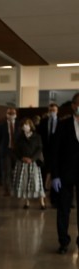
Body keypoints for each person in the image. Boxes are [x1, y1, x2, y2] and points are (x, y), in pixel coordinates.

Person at [51, 92, 79, 254]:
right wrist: (54, 175)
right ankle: (63, 241)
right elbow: (55, 152)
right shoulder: (63, 125)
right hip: (65, 174)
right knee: (63, 209)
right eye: (77, 104)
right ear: (73, 106)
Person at [12, 118, 46, 209]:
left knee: (37, 182)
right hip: (23, 162)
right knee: (24, 182)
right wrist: (21, 157)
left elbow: (39, 149)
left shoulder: (37, 136)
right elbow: (16, 150)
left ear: (30, 125)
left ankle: (42, 202)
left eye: (26, 125)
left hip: (33, 162)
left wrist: (32, 158)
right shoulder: (19, 137)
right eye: (23, 125)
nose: (25, 127)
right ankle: (27, 202)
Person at [38, 103, 59, 206]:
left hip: (57, 152)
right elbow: (39, 136)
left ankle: (54, 196)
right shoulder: (43, 122)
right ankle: (42, 195)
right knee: (44, 171)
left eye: (54, 110)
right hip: (45, 151)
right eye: (50, 110)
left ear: (57, 111)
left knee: (55, 173)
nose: (52, 112)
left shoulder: (61, 122)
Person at [0, 107, 18, 196]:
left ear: (16, 115)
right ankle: (7, 189)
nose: (11, 115)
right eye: (9, 113)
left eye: (13, 113)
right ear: (6, 114)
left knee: (16, 171)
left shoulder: (19, 125)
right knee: (7, 171)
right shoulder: (1, 125)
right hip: (6, 151)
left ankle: (16, 189)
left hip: (17, 152)